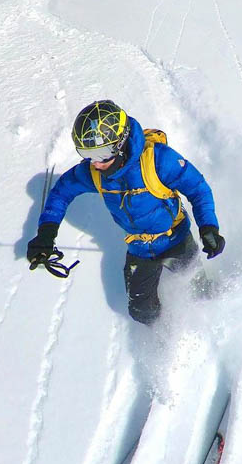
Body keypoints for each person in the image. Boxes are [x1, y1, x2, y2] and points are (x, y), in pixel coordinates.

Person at [26, 100, 225, 325]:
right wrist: (46, 234)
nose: (95, 162)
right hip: (139, 248)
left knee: (197, 289)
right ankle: (169, 332)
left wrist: (209, 227)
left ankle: (217, 313)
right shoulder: (94, 172)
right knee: (141, 311)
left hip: (176, 237)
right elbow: (61, 192)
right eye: (86, 153)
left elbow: (198, 189)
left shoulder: (158, 160)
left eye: (101, 153)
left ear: (119, 144)